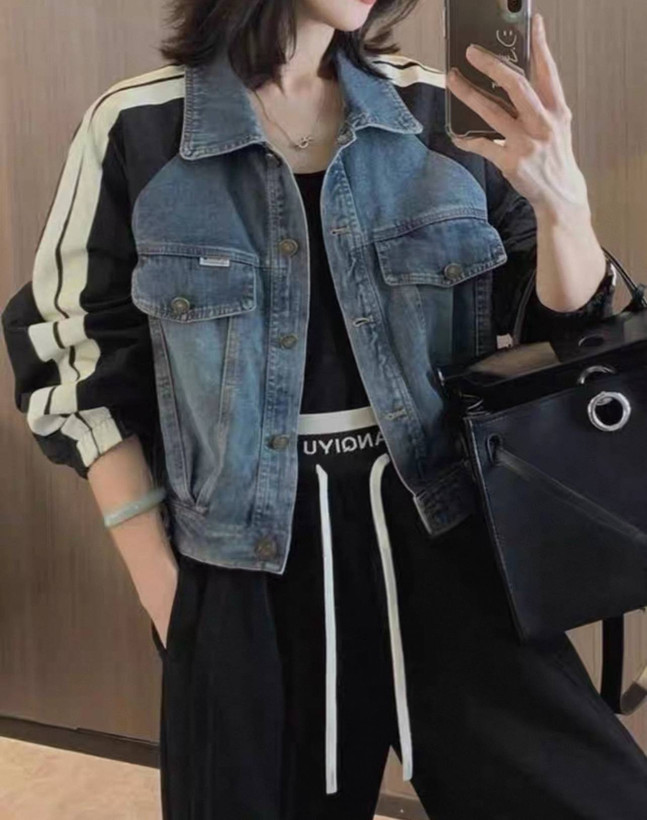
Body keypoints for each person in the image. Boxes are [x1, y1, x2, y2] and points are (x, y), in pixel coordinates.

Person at [3, 0, 647, 818]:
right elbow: (74, 358)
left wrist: (561, 200)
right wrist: (167, 592)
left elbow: (565, 331)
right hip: (246, 567)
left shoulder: (433, 111)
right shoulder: (137, 126)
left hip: (447, 535)